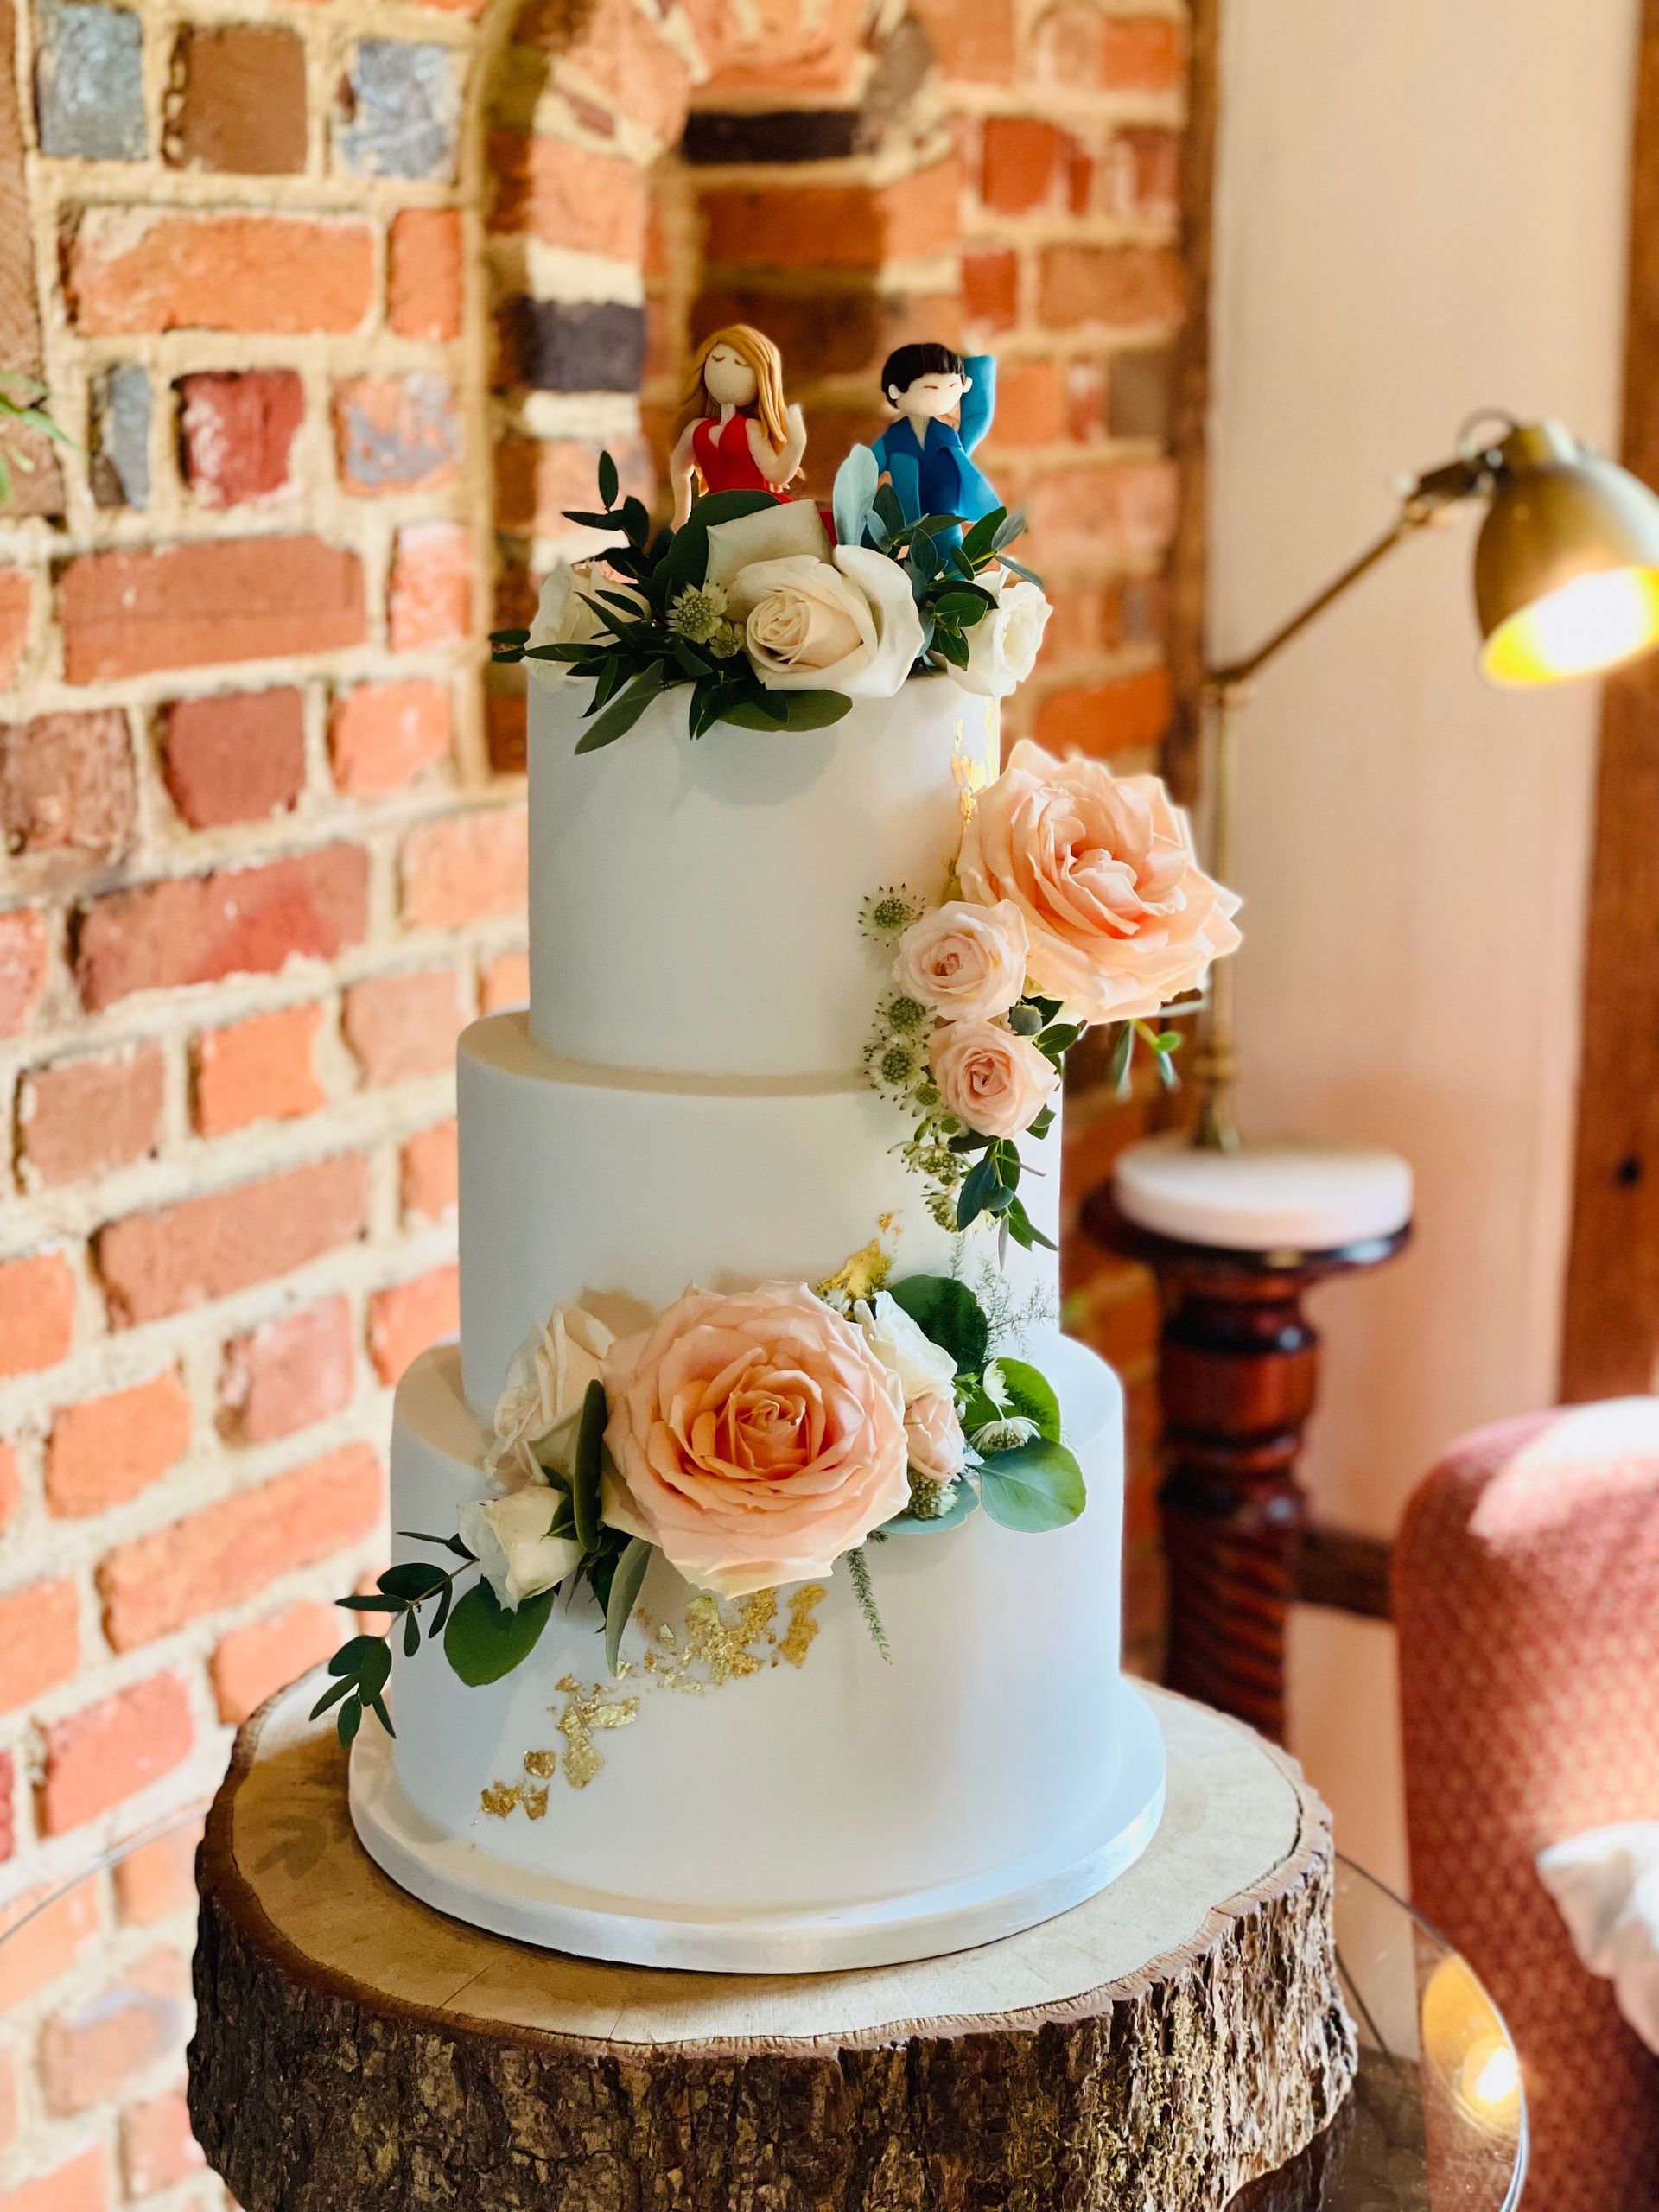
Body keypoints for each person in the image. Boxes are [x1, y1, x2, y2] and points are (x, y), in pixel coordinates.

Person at [669, 324, 807, 525]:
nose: (725, 369)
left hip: (757, 514)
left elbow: (776, 474)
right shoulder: (696, 430)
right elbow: (679, 468)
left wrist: (796, 443)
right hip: (716, 515)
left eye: (740, 364)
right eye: (717, 360)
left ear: (761, 378)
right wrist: (681, 516)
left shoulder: (750, 429)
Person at [868, 343, 998, 532]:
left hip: (945, 517)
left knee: (947, 543)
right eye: (931, 387)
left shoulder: (949, 437)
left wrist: (973, 358)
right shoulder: (895, 437)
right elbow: (867, 468)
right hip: (905, 524)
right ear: (896, 391)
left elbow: (978, 416)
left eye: (952, 385)